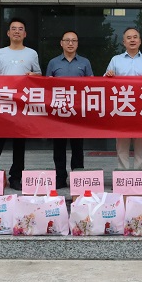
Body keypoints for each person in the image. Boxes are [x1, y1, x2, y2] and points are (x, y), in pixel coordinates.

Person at [0, 18, 42, 191]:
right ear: (8, 33)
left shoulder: (32, 54)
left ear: (25, 34)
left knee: (19, 143)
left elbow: (39, 75)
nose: (17, 31)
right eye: (14, 29)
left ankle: (16, 177)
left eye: (20, 29)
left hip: (22, 105)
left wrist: (34, 76)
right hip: (3, 103)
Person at [104, 27, 142, 170]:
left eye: (135, 37)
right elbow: (104, 83)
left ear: (140, 41)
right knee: (122, 146)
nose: (132, 40)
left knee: (141, 147)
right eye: (129, 38)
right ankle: (123, 176)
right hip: (122, 108)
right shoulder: (115, 60)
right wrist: (108, 76)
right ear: (124, 42)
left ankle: (139, 176)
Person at [45, 30, 93, 189]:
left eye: (74, 40)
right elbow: (46, 87)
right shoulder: (53, 63)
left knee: (77, 147)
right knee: (58, 147)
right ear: (61, 43)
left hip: (77, 111)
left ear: (77, 43)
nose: (70, 43)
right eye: (67, 40)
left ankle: (77, 177)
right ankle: (60, 177)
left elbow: (91, 86)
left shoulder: (85, 62)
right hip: (59, 111)